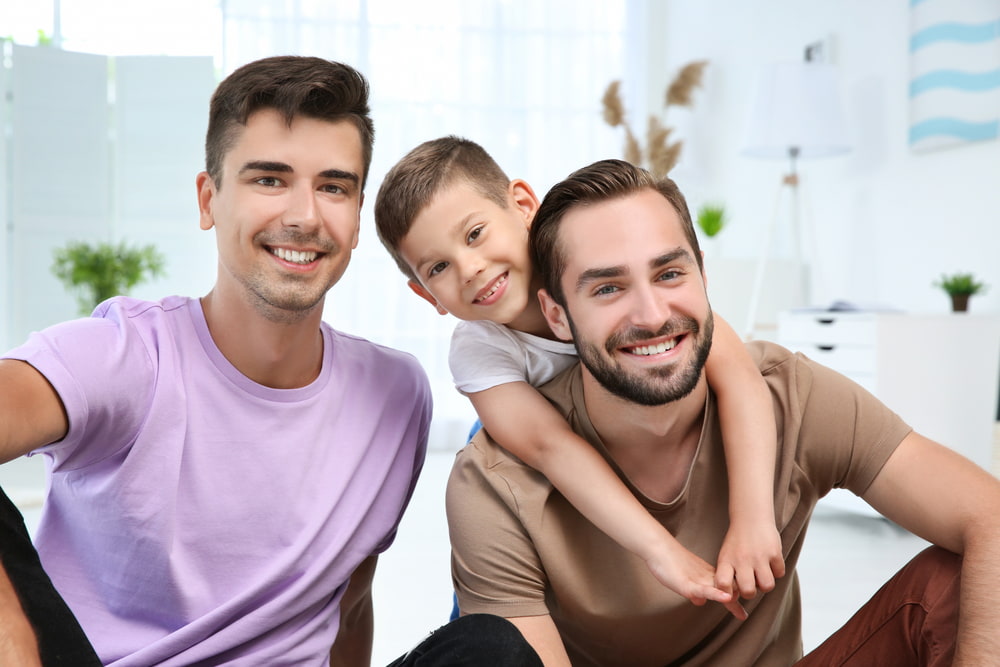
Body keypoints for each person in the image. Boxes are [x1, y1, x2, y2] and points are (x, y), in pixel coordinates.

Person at [445, 158, 1000, 666]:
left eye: (669, 274)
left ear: (703, 275)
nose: (653, 314)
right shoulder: (495, 484)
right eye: (608, 288)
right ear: (558, 317)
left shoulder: (792, 396)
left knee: (958, 581)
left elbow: (989, 518)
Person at [0, 55, 440, 666]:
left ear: (357, 214)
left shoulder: (397, 395)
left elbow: (349, 599)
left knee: (494, 647)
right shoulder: (125, 356)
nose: (304, 216)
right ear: (209, 200)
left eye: (333, 186)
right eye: (269, 179)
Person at [374, 136, 784, 616]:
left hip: (632, 442)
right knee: (485, 622)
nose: (470, 268)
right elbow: (550, 448)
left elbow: (737, 373)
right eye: (438, 267)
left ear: (524, 204)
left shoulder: (598, 264)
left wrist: (754, 519)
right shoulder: (480, 347)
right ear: (428, 296)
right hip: (538, 464)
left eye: (475, 234)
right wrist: (663, 552)